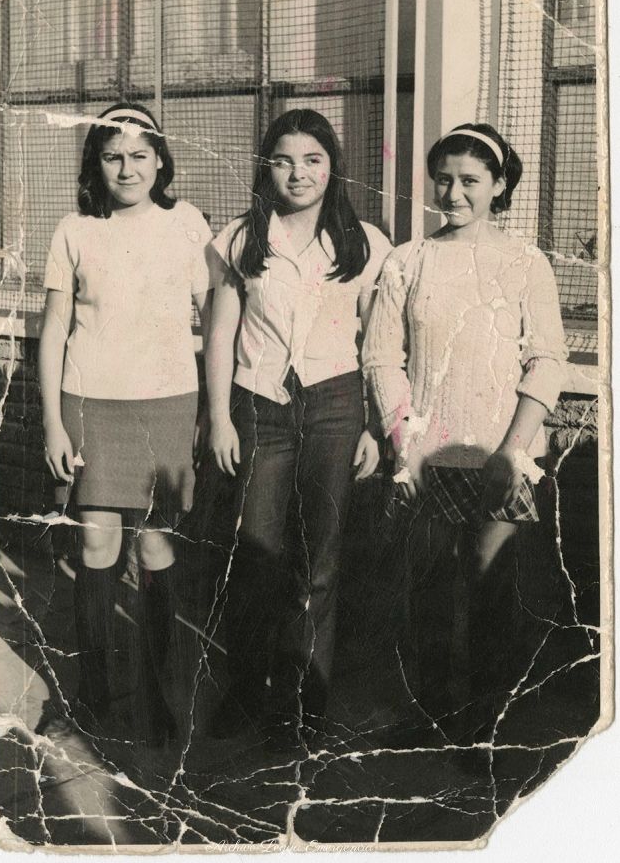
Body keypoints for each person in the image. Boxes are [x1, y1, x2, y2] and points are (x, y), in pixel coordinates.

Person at [363, 123, 568, 742]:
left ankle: (484, 730)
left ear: (499, 185)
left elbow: (548, 360)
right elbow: (382, 359)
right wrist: (405, 449)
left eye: (470, 181)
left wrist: (511, 453)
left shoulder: (526, 263)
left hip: (500, 456)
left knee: (491, 592)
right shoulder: (407, 261)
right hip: (427, 459)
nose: (453, 194)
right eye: (444, 179)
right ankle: (430, 718)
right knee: (426, 591)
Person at [206, 108, 392, 747]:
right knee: (255, 552)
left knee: (319, 562)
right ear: (267, 168)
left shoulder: (364, 243)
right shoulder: (241, 238)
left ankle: (305, 704)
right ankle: (244, 692)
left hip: (337, 408)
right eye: (283, 160)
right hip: (260, 406)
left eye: (312, 160)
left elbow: (376, 343)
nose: (298, 174)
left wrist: (373, 426)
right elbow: (221, 335)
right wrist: (220, 419)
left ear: (333, 166)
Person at [38, 103, 212, 745]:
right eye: (113, 156)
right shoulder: (74, 229)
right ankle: (91, 697)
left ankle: (159, 697)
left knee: (156, 547)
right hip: (90, 402)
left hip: (166, 404)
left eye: (140, 155)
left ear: (161, 161)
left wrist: (210, 411)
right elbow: (55, 328)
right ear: (97, 164)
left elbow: (216, 317)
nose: (127, 168)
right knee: (96, 547)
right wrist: (53, 422)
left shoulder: (188, 224)